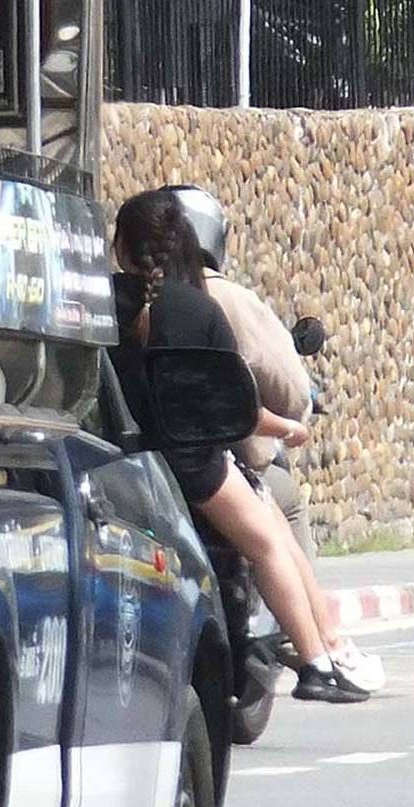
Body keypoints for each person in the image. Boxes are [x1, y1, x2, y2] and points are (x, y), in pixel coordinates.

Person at [108, 189, 368, 703]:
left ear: (121, 246)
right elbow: (236, 406)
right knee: (269, 543)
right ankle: (316, 663)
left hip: (118, 455)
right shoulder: (199, 310)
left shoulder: (97, 300)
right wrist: (287, 428)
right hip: (189, 462)